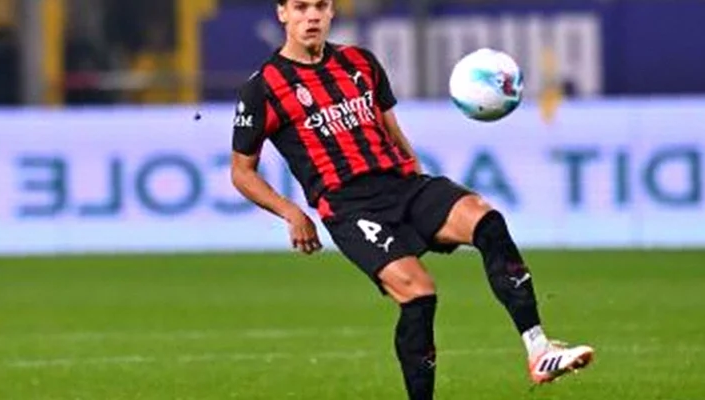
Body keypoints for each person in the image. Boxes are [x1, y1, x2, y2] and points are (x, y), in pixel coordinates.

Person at [229, 1, 594, 398]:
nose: (312, 15)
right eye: (301, 7)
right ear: (282, 13)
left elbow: (391, 129)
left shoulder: (360, 62)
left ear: (332, 11)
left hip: (403, 186)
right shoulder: (262, 88)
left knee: (487, 220)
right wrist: (291, 212)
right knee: (419, 293)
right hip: (350, 207)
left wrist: (418, 177)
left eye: (321, 5)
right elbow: (241, 172)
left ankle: (539, 350)